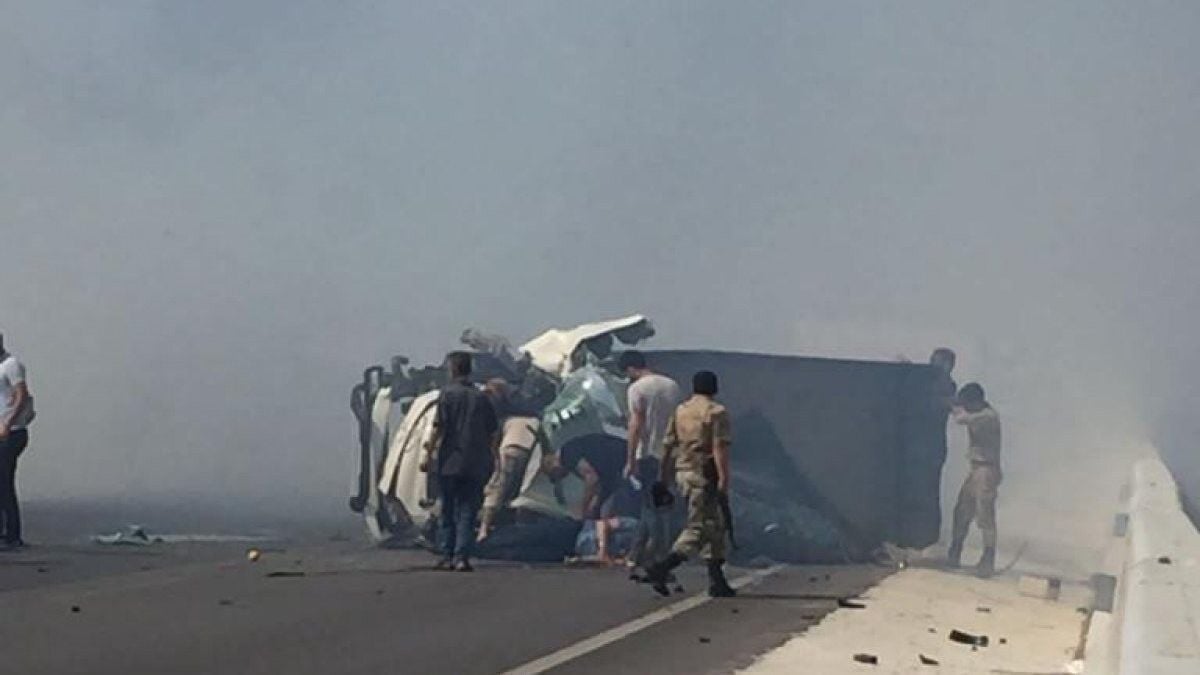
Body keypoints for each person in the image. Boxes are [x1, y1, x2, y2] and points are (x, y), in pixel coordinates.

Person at [644, 370, 736, 598]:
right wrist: (724, 478)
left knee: (714, 525)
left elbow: (667, 446)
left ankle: (717, 580)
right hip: (703, 475)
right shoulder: (716, 412)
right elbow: (718, 448)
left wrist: (662, 479)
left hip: (682, 472)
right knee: (699, 527)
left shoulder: (681, 411)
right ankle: (662, 568)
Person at [420, 352, 500, 572]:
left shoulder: (447, 395)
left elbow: (439, 427)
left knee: (448, 510)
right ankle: (461, 557)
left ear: (453, 369)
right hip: (476, 463)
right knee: (467, 511)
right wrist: (493, 458)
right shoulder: (481, 398)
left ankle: (447, 555)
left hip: (450, 462)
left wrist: (427, 456)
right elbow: (494, 431)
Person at [618, 350, 682, 576]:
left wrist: (630, 458)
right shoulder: (672, 386)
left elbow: (636, 424)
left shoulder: (637, 389)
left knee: (650, 506)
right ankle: (637, 555)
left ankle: (657, 554)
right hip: (672, 453)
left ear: (630, 369)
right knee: (661, 505)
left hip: (648, 454)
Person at [946, 382, 1002, 578]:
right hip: (977, 470)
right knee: (962, 511)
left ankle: (988, 558)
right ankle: (955, 551)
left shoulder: (987, 416)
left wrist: (950, 405)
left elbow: (961, 419)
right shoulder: (982, 414)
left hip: (986, 470)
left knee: (984, 516)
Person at [547, 434, 628, 563]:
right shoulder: (574, 453)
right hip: (615, 466)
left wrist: (583, 509)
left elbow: (591, 479)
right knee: (602, 511)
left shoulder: (567, 455)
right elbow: (599, 481)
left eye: (558, 475)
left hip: (621, 458)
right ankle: (604, 549)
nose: (565, 476)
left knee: (600, 511)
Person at [0, 333, 33, 550]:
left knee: (4, 481)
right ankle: (6, 533)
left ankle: (13, 535)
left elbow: (21, 394)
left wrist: (8, 422)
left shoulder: (11, 365)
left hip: (12, 432)